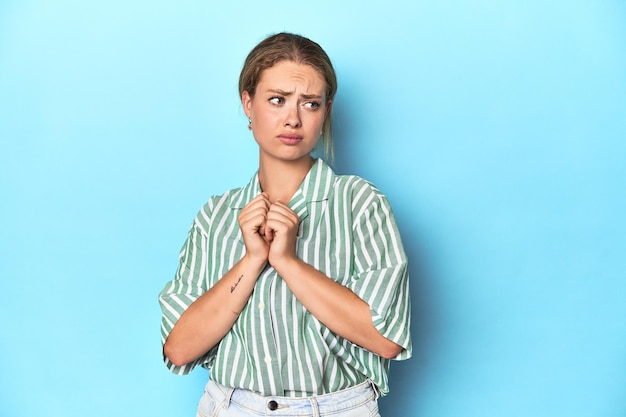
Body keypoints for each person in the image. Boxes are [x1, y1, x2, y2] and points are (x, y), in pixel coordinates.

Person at [158, 32, 411, 417]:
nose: (292, 118)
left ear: (325, 110)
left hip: (336, 408)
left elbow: (386, 337)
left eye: (310, 104)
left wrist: (288, 261)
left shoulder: (359, 203)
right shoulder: (216, 214)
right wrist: (251, 260)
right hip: (232, 406)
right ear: (248, 103)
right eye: (277, 100)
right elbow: (179, 349)